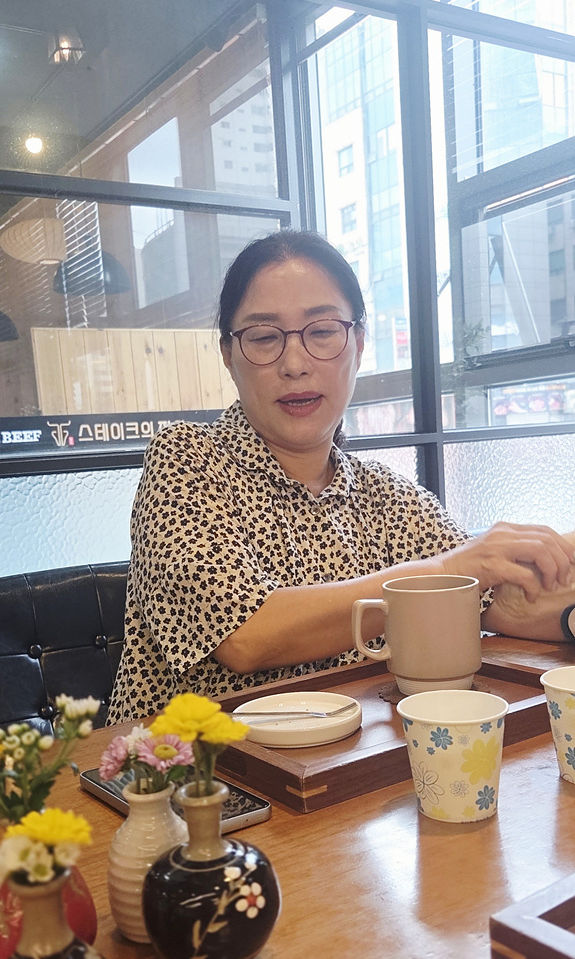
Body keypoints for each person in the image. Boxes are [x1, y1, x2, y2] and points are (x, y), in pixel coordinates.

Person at [107, 230, 574, 724]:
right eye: (264, 337)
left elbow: (500, 603)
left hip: (354, 763)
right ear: (228, 355)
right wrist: (448, 569)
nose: (294, 364)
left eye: (323, 332)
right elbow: (244, 636)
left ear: (359, 343)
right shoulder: (187, 459)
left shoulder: (385, 496)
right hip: (191, 765)